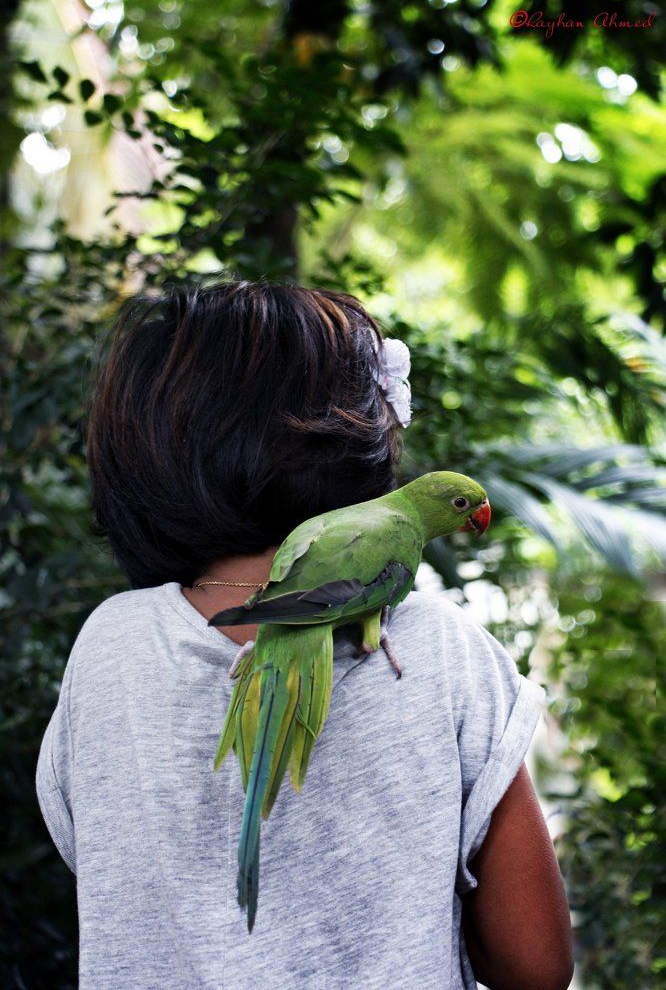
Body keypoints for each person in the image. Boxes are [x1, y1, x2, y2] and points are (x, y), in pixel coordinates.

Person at [35, 279, 573, 989]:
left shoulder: (111, 648)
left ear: (140, 454)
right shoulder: (442, 652)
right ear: (358, 440)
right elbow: (536, 966)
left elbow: (105, 865)